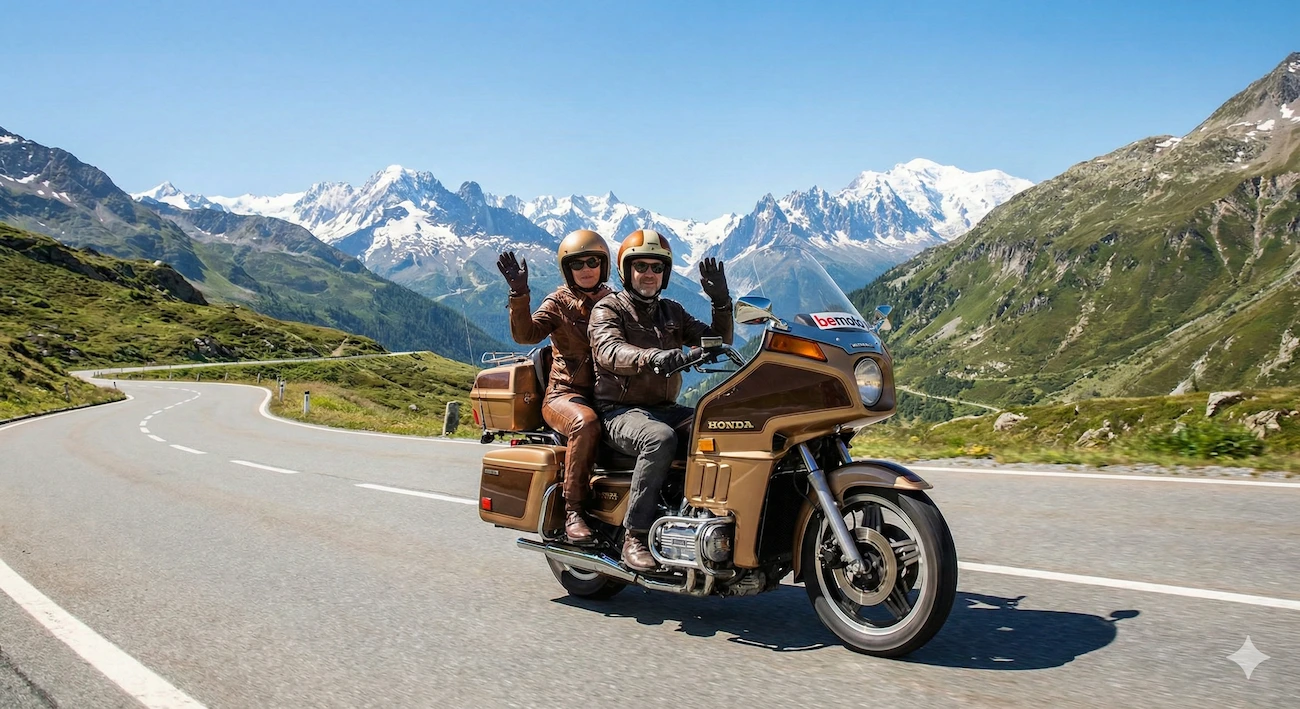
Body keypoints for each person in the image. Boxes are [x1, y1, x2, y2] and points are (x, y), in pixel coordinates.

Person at [587, 229, 732, 571]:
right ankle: (635, 536)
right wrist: (651, 356)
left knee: (722, 426)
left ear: (665, 274)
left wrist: (721, 303)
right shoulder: (608, 309)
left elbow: (717, 341)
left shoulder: (672, 312)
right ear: (627, 271)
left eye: (656, 267)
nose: (649, 274)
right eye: (641, 267)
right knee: (660, 439)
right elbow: (609, 351)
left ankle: (707, 518)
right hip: (618, 411)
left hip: (665, 409)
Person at [496, 230, 614, 544]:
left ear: (603, 265)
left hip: (607, 394)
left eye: (592, 262)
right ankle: (574, 510)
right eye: (577, 264)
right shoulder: (559, 302)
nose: (586, 269)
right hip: (564, 395)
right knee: (585, 423)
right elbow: (526, 335)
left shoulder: (614, 301)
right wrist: (519, 294)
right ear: (567, 269)